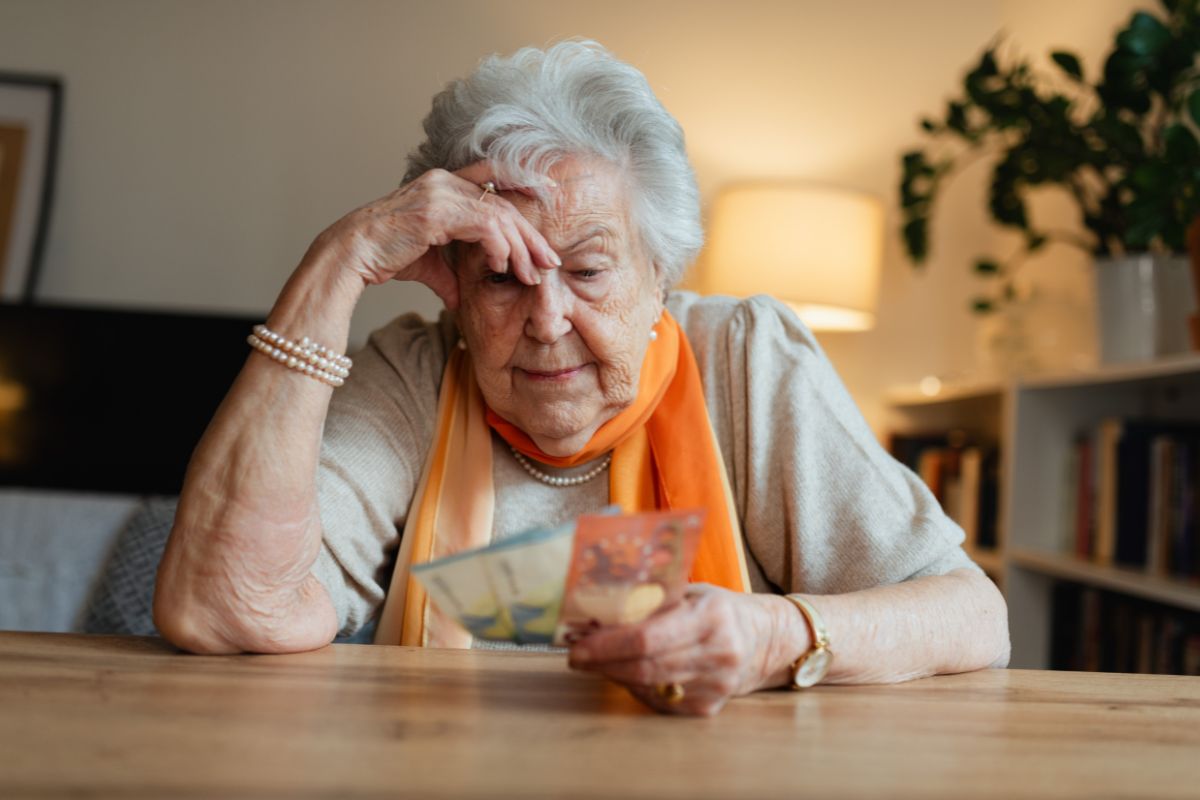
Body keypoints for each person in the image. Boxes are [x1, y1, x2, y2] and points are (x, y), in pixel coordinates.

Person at [154, 40, 1009, 716]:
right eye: (500, 275)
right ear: (449, 282)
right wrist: (335, 265)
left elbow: (973, 617)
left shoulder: (744, 358)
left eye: (589, 272)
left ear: (661, 274)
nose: (548, 319)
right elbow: (222, 610)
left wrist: (776, 635)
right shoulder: (413, 377)